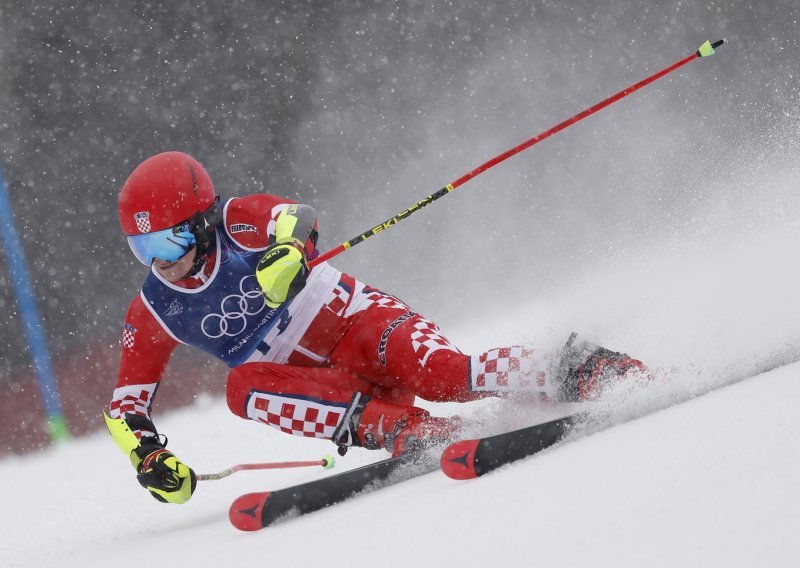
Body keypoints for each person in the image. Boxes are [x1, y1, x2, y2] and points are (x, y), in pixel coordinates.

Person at [104, 151, 646, 505]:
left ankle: (579, 367)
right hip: (329, 389)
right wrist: (149, 457)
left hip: (360, 326)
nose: (162, 262)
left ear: (201, 221)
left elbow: (297, 215)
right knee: (239, 388)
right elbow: (127, 405)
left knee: (447, 375)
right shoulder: (153, 310)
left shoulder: (236, 223)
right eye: (143, 249)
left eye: (169, 242)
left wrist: (291, 250)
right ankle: (401, 430)